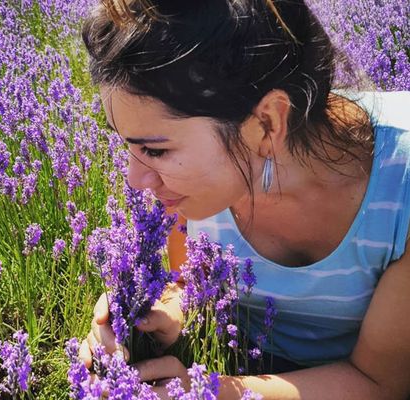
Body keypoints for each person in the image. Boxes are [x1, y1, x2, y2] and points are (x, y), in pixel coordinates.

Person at [77, 0, 410, 398]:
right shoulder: (190, 191)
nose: (135, 179)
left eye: (154, 150)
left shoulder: (399, 192)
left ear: (267, 122)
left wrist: (210, 392)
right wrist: (167, 312)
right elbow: (189, 281)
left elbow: (383, 383)